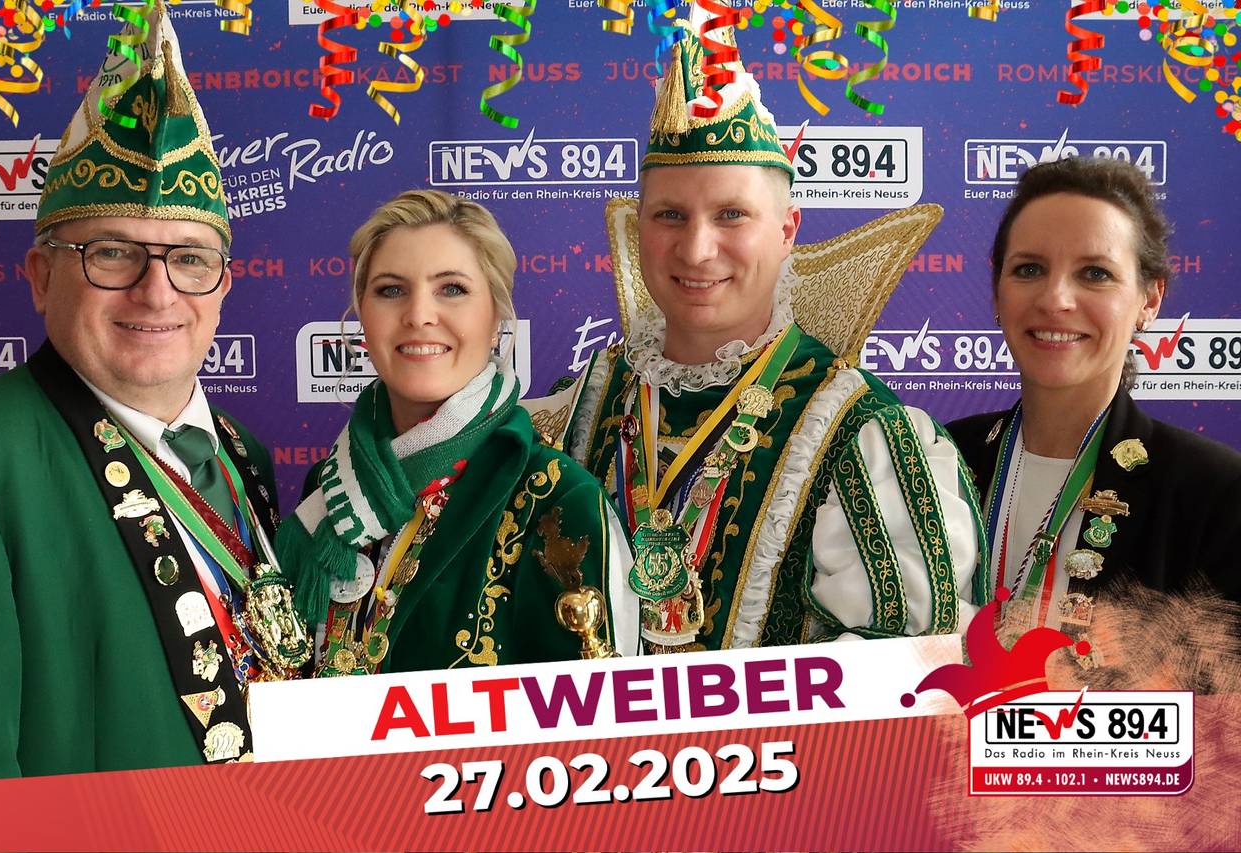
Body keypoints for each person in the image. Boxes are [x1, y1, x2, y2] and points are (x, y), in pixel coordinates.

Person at [544, 15, 988, 653]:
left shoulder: (863, 433)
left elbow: (902, 685)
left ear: (786, 231)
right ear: (639, 231)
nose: (697, 250)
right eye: (670, 215)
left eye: (731, 215)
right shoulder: (576, 410)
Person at [0, 1, 311, 780]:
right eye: (113, 252)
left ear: (222, 286)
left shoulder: (243, 455)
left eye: (189, 258)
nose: (157, 292)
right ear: (41, 276)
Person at [276, 190, 637, 675]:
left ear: (496, 317)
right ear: (362, 315)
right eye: (391, 290)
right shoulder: (327, 490)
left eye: (451, 289)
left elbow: (599, 716)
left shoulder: (558, 501)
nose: (419, 315)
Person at [947, 156, 1241, 666]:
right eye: (1029, 269)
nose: (1056, 299)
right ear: (997, 290)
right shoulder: (941, 458)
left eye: (1095, 273)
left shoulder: (1214, 492)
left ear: (1149, 300)